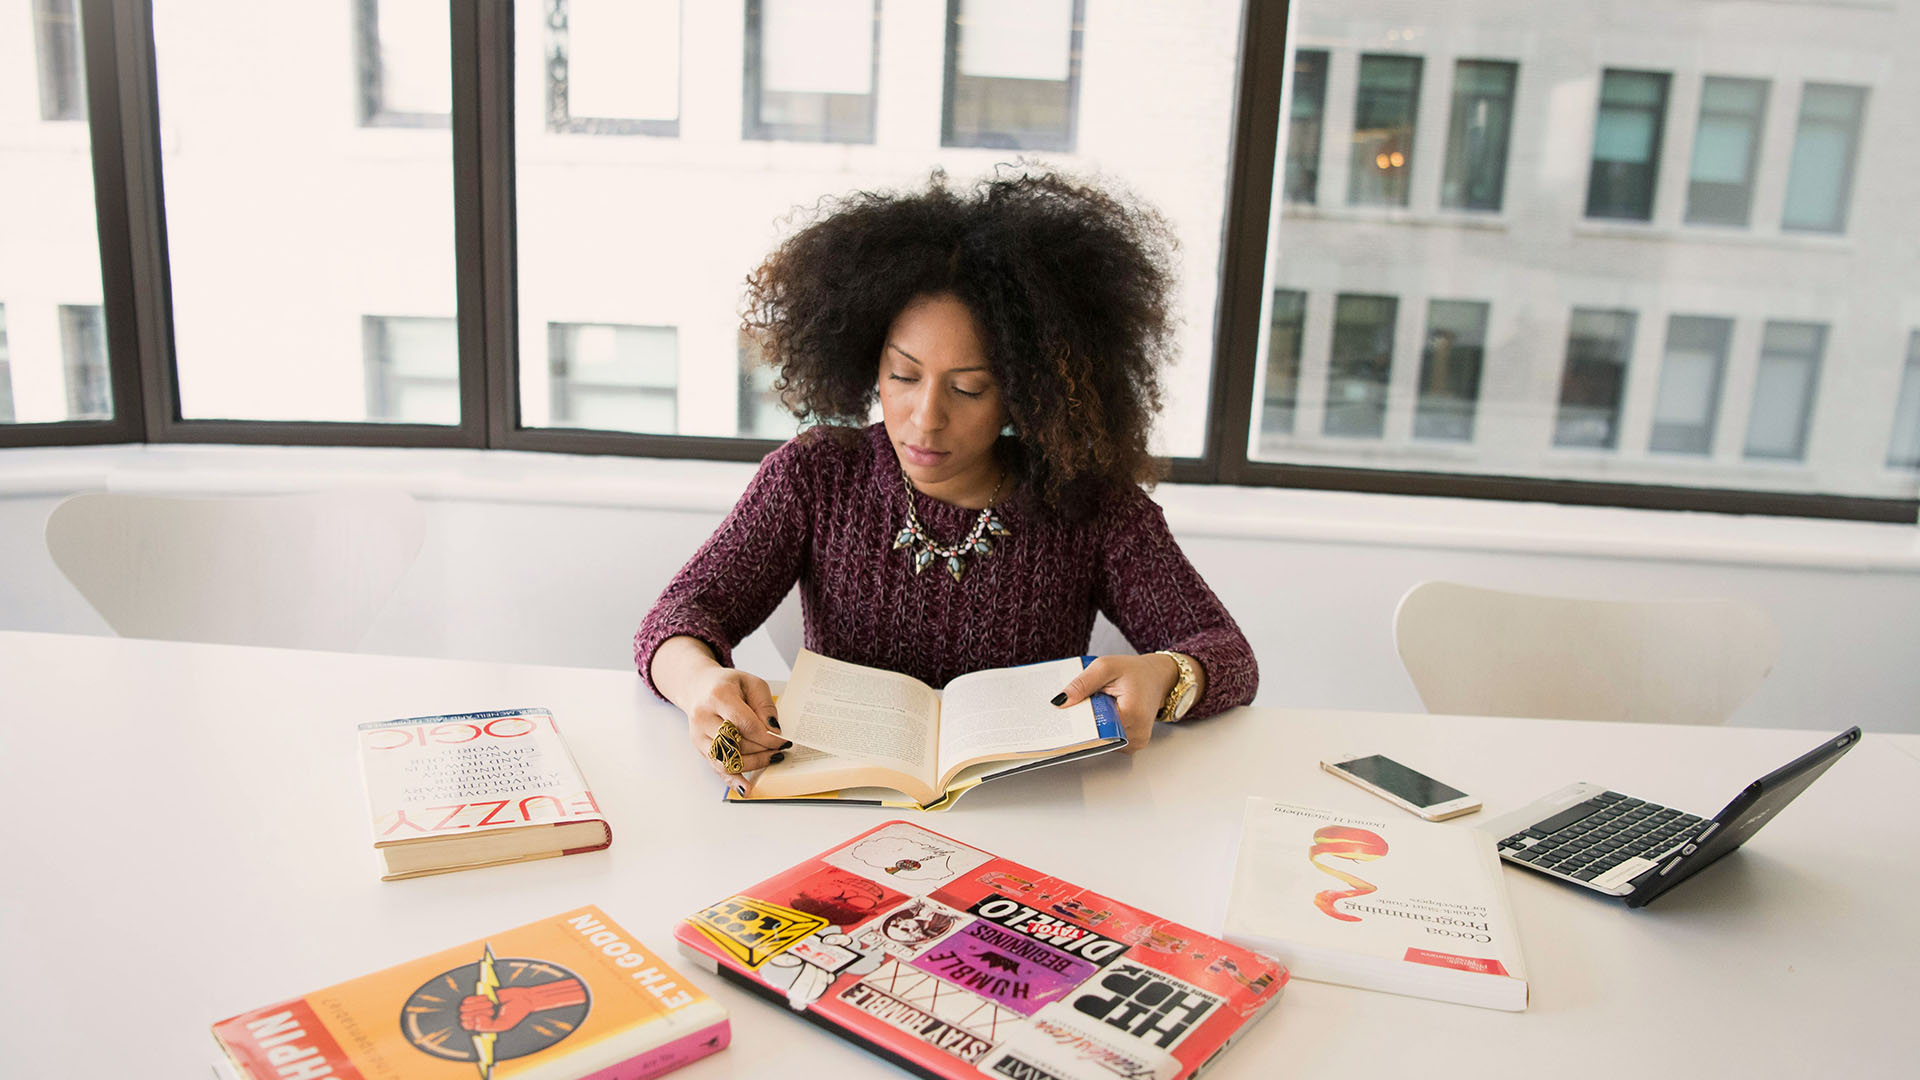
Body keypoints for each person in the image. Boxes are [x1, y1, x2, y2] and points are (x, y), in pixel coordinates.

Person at [634, 168, 1258, 791]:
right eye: (904, 376)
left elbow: (1228, 654)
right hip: (837, 803)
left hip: (1030, 812)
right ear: (866, 361)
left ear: (1024, 394)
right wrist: (699, 685)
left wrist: (1166, 677)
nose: (926, 418)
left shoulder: (1088, 504)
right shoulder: (816, 476)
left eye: (969, 388)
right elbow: (678, 616)